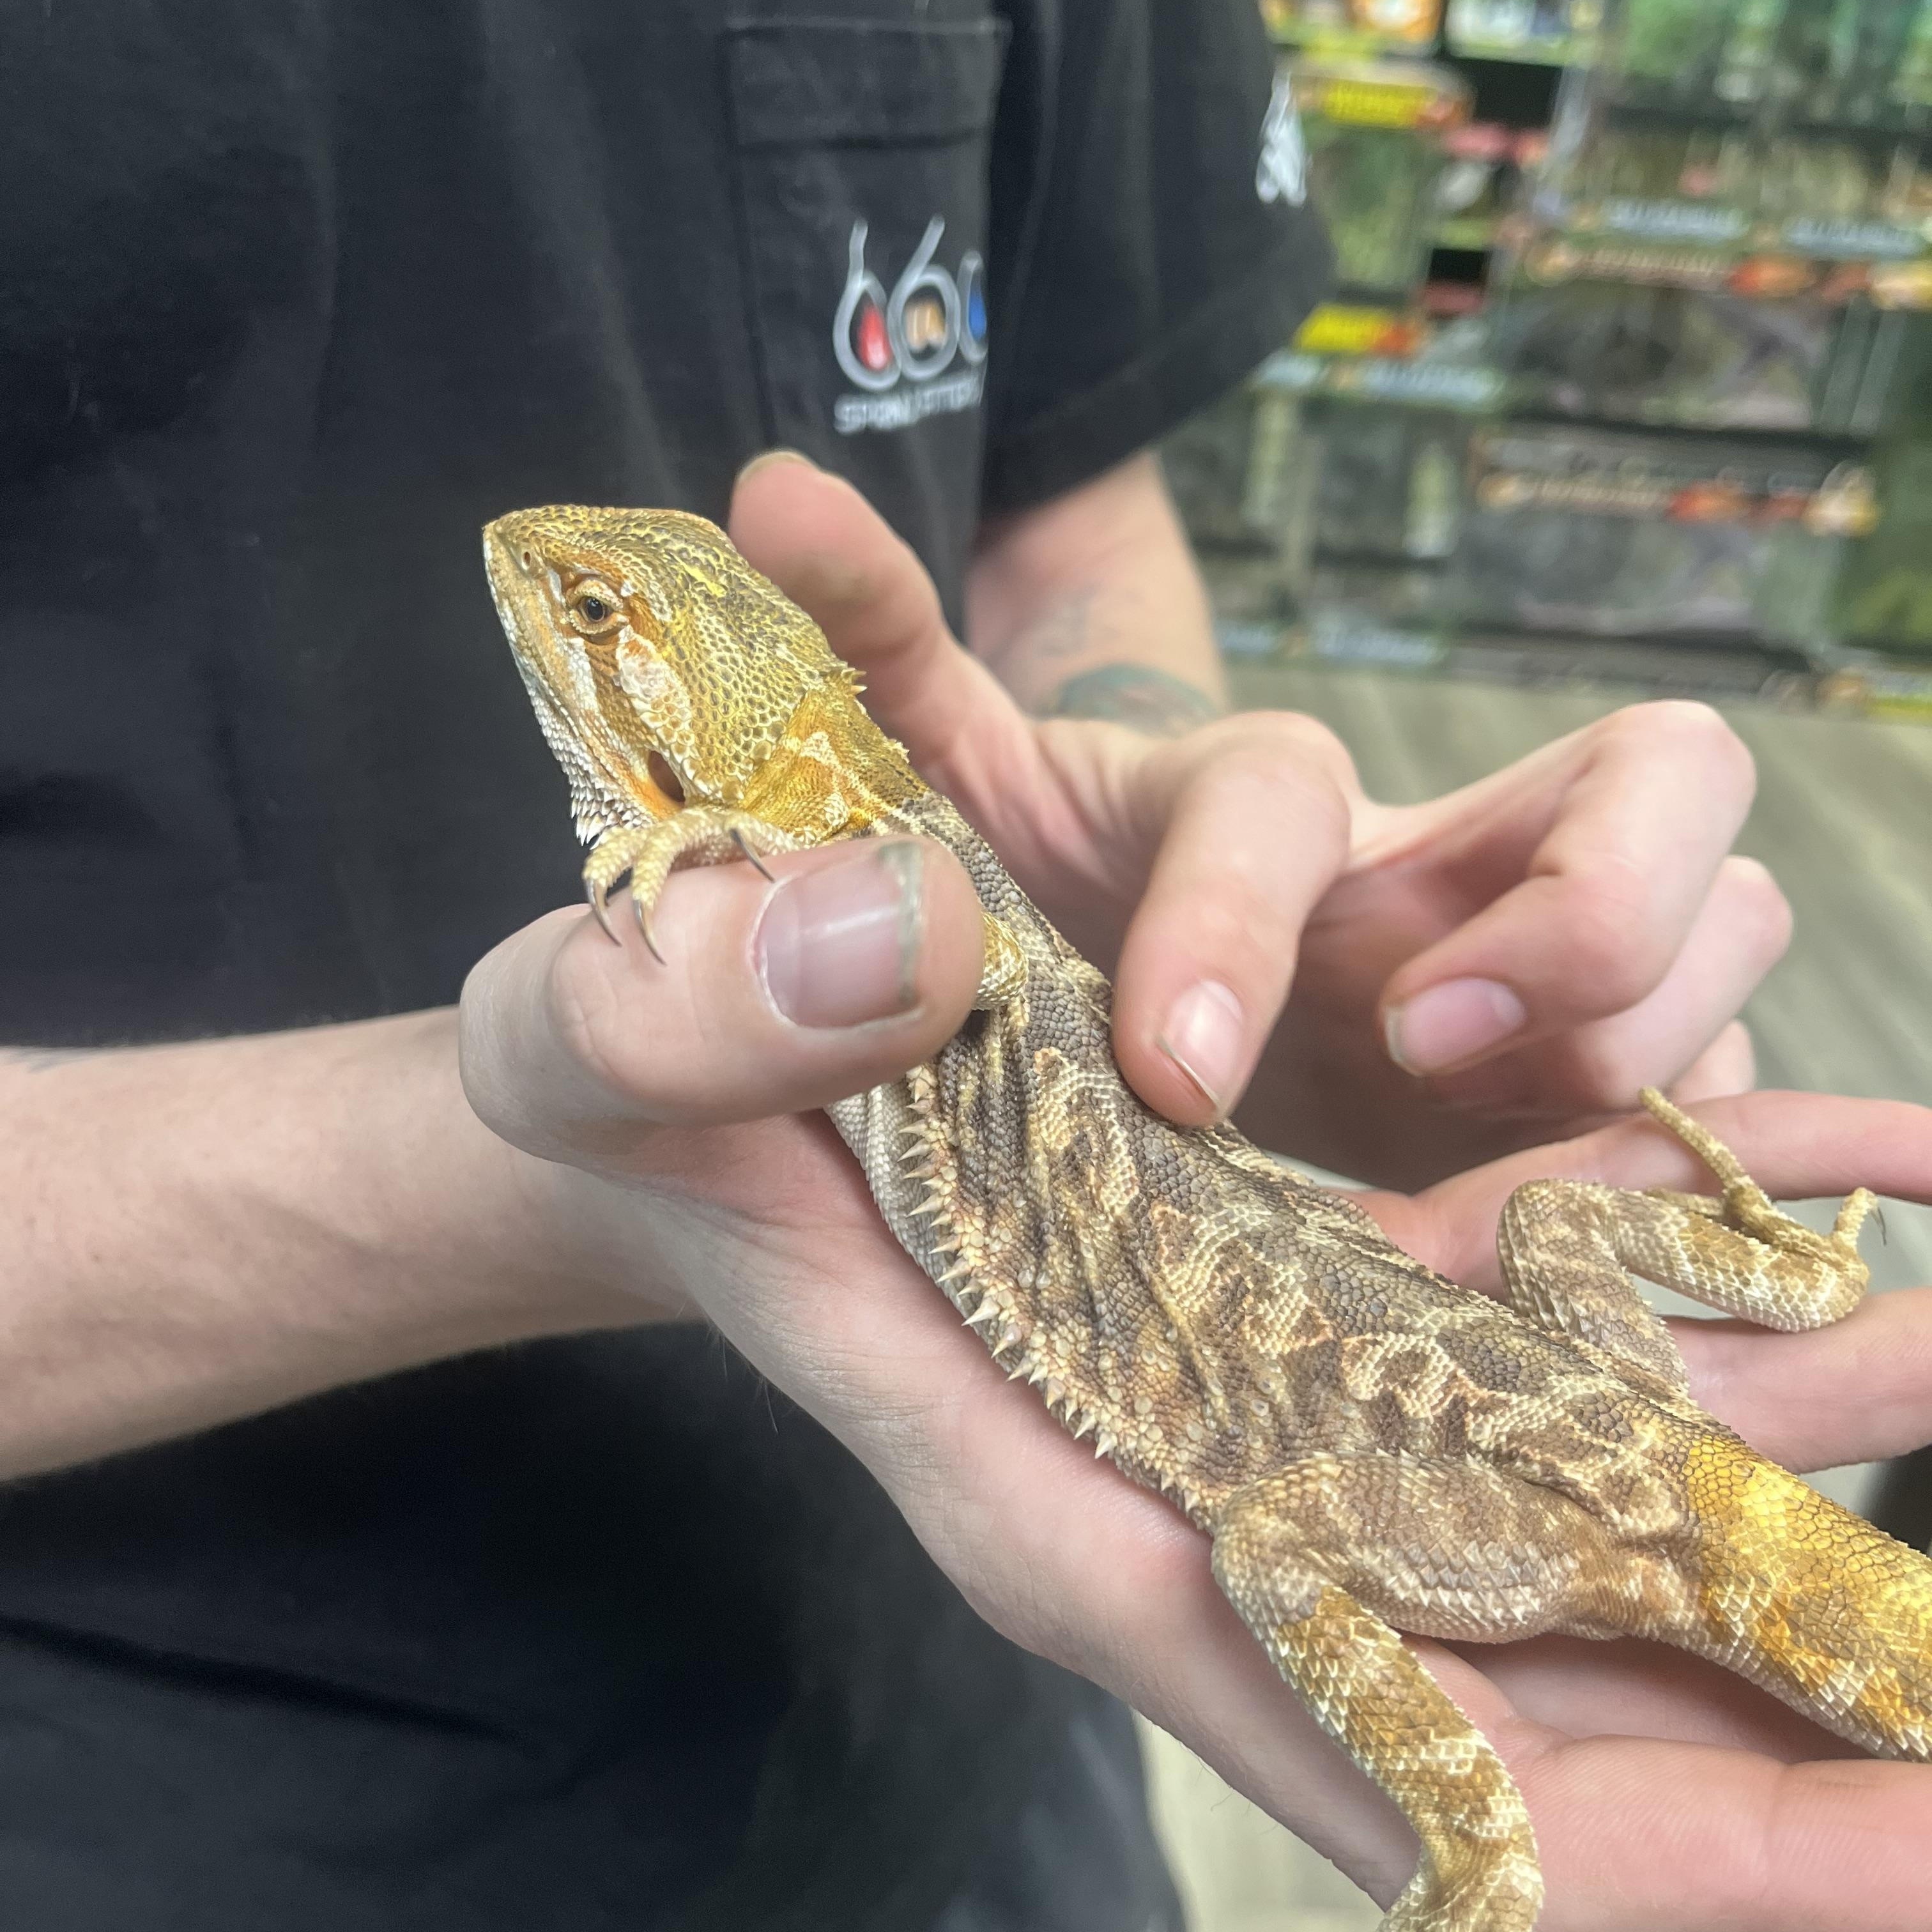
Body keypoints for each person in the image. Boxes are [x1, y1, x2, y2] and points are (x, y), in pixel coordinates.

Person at [1, 6, 1924, 1931]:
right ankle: (1754, 1296)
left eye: (602, 612)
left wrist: (1173, 854)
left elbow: (1088, 498)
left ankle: (1486, 1825)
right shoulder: (816, 892)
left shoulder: (857, 875)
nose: (537, 576)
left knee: (1285, 1530)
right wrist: (605, 1161)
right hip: (195, 1803)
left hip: (1060, 1711)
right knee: (1402, 1419)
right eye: (605, 609)